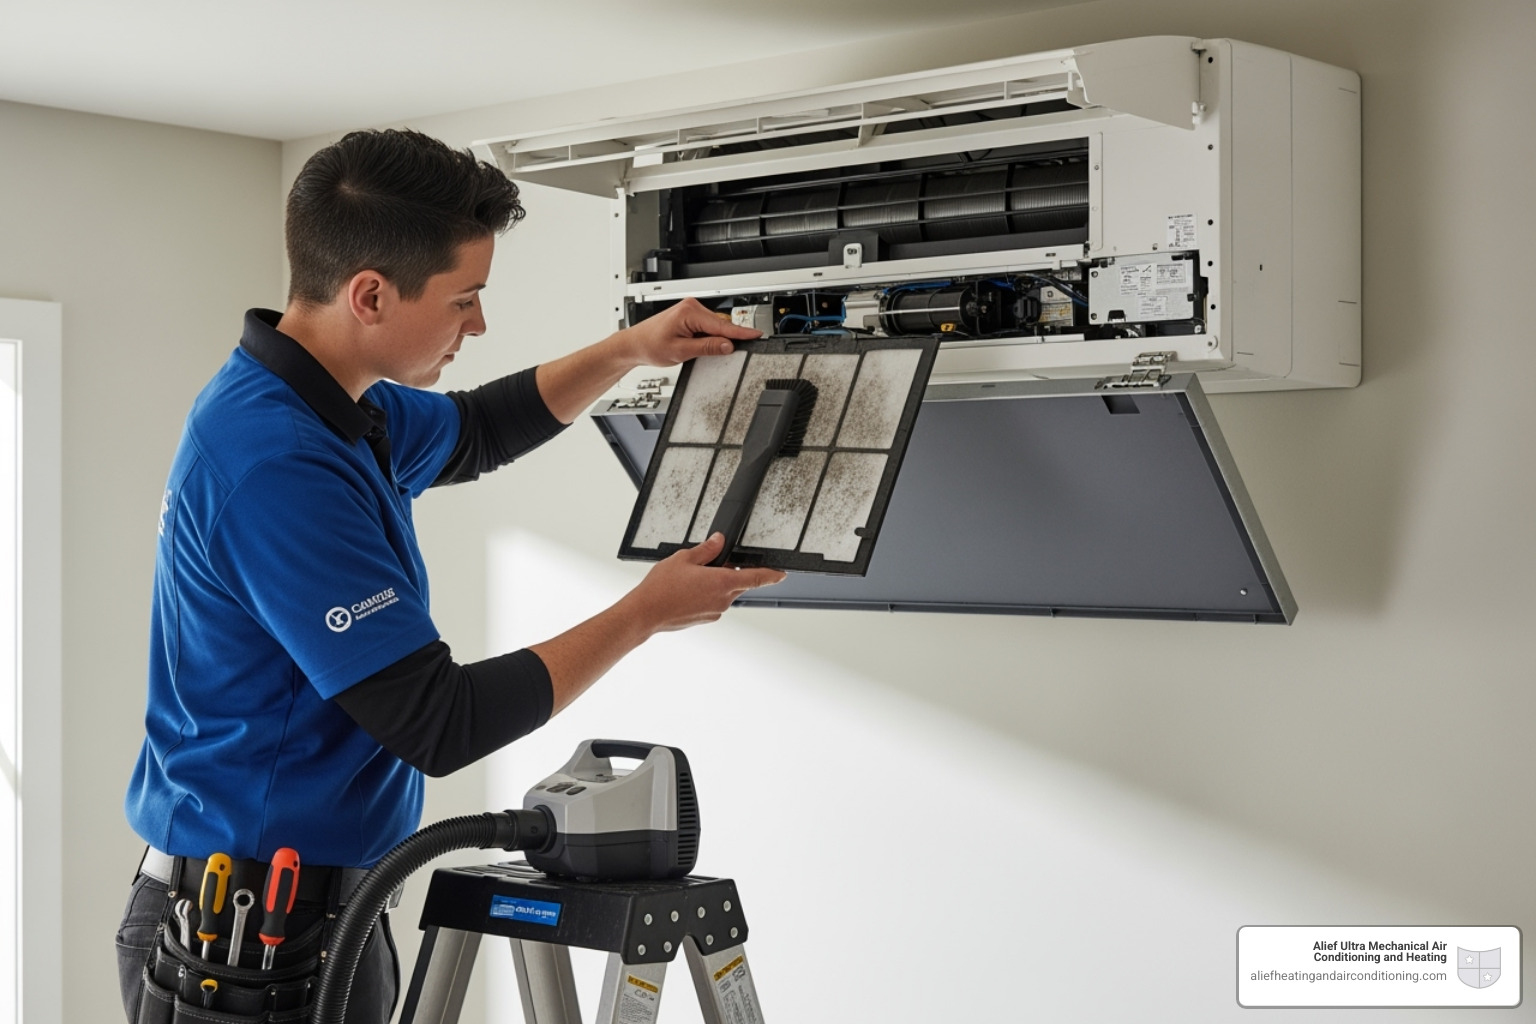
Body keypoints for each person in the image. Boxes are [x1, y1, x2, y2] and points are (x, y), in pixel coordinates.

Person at [115, 128, 784, 1024]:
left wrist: (630, 349)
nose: (478, 324)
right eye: (466, 299)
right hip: (246, 948)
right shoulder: (277, 460)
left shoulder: (335, 400)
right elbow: (438, 721)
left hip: (314, 912)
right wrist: (643, 614)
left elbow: (475, 431)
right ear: (371, 295)